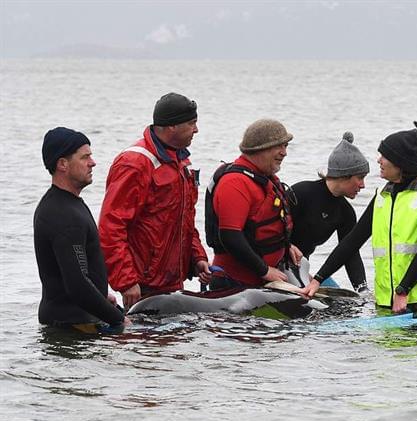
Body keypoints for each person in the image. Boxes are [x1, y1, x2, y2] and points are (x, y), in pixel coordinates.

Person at [302, 128, 417, 314]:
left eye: (384, 156)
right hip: (386, 300)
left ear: (400, 163)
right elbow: (353, 241)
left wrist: (403, 290)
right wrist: (319, 278)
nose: (378, 160)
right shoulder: (383, 195)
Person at [99, 93, 210, 310]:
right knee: (144, 343)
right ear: (171, 127)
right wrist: (126, 281)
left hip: (172, 283)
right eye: (191, 123)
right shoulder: (135, 163)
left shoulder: (180, 161)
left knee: (174, 341)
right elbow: (111, 226)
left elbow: (185, 219)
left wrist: (197, 256)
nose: (196, 130)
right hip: (143, 286)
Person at [34, 127, 127, 330]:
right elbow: (77, 285)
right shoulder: (63, 215)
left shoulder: (67, 203)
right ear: (62, 164)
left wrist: (102, 296)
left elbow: (78, 272)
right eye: (85, 157)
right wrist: (118, 319)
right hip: (72, 326)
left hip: (78, 318)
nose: (93, 163)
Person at [205, 119, 301, 289]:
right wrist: (264, 270)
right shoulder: (234, 183)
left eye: (286, 146)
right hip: (234, 283)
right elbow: (230, 236)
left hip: (264, 281)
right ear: (259, 149)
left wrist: (286, 247)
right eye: (279, 146)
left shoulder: (264, 177)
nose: (284, 153)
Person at [289, 132, 369, 291]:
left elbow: (350, 252)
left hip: (300, 268)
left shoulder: (345, 212)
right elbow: (269, 231)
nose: (363, 185)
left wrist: (362, 290)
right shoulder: (301, 192)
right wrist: (286, 246)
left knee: (344, 299)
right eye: (360, 178)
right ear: (344, 176)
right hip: (275, 265)